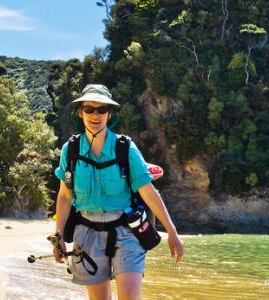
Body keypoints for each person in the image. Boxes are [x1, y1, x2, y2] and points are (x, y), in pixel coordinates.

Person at [52, 84, 184, 300]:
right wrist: (58, 237)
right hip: (86, 235)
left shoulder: (125, 148)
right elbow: (65, 197)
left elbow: (149, 192)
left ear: (109, 114)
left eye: (102, 110)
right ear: (80, 112)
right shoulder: (71, 149)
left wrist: (172, 232)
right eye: (89, 109)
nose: (96, 115)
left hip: (127, 232)